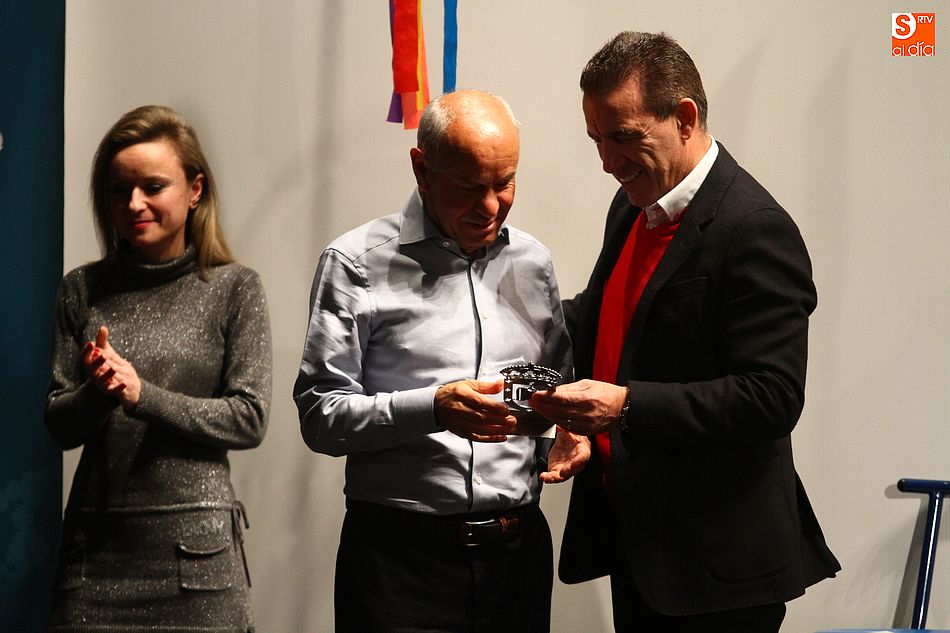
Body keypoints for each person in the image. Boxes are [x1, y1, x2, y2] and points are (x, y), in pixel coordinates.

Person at [529, 32, 840, 632]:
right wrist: (506, 319)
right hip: (644, 550)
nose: (607, 162)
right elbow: (610, 314)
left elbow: (772, 396)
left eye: (624, 137)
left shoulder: (755, 227)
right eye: (596, 139)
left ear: (686, 117)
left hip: (716, 571)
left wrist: (624, 406)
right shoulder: (634, 203)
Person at [293, 89, 586, 633]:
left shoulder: (533, 262)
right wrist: (432, 408)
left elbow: (549, 396)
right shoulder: (355, 264)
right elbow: (320, 416)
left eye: (505, 183)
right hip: (399, 565)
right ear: (422, 170)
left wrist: (562, 434)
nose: (490, 205)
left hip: (517, 558)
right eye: (470, 186)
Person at [45, 105, 271, 632]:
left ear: (195, 190)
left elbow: (248, 418)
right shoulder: (81, 289)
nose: (134, 204)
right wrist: (99, 392)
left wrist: (141, 394)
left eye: (152, 187)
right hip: (94, 560)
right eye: (119, 190)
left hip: (198, 564)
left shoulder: (234, 288)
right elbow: (59, 425)